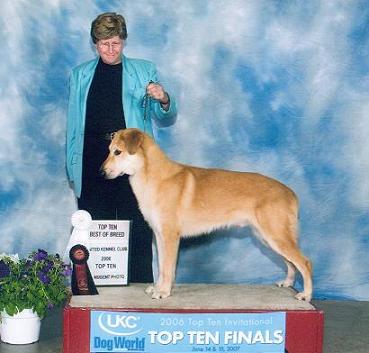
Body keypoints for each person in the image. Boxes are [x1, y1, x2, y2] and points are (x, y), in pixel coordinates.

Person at [66, 12, 177, 283]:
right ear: (95, 44)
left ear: (124, 41)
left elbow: (164, 116)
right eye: (104, 44)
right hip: (92, 158)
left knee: (137, 228)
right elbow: (73, 123)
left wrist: (163, 98)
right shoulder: (80, 75)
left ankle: (140, 291)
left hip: (131, 162)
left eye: (115, 43)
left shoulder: (144, 70)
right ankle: (92, 295)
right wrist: (71, 163)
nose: (110, 49)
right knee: (94, 230)